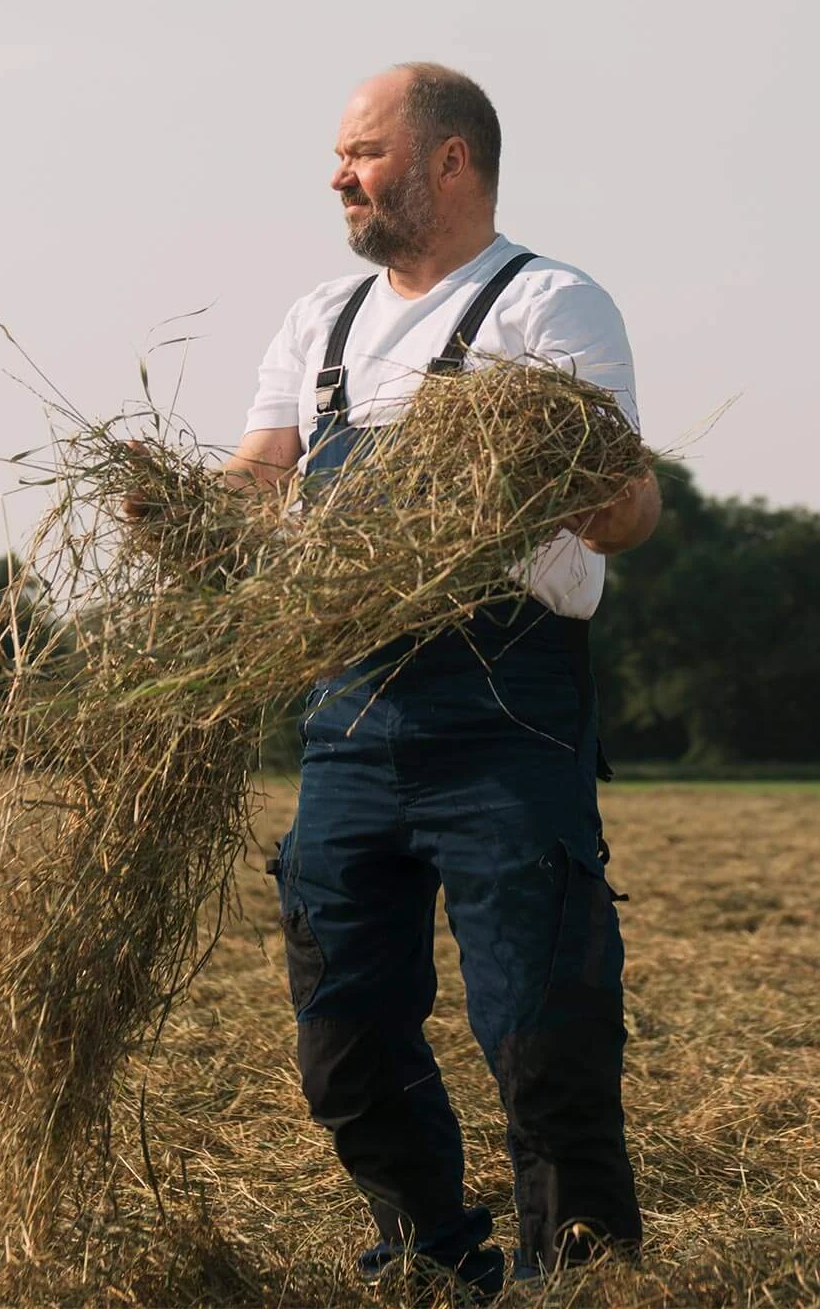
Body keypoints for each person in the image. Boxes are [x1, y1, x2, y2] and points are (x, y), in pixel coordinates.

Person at [217, 64, 659, 1297]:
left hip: (507, 708)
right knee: (342, 1031)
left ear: (448, 161)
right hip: (349, 709)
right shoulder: (322, 321)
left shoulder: (551, 307)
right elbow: (264, 469)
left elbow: (619, 506)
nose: (338, 176)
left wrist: (609, 493)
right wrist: (188, 510)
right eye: (341, 156)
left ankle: (578, 1277)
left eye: (362, 151)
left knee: (540, 1026)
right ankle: (430, 1255)